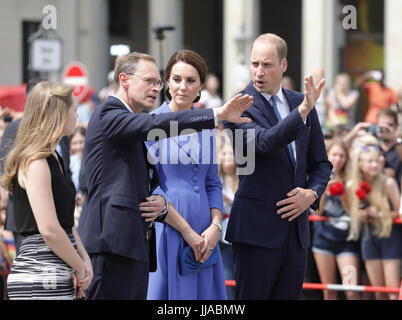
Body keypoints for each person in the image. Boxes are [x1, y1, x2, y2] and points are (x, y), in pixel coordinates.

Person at [78, 52, 253, 300]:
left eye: (156, 82)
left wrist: (214, 226)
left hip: (171, 234)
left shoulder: (138, 122)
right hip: (141, 235)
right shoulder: (115, 115)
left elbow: (211, 181)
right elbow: (156, 128)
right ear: (124, 79)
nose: (155, 87)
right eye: (151, 81)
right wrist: (217, 115)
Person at [223, 33, 332, 300]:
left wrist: (312, 194)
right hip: (255, 232)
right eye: (254, 64)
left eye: (267, 65)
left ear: (283, 65)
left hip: (295, 235)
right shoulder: (239, 105)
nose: (259, 72)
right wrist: (303, 111)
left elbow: (321, 163)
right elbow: (264, 143)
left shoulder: (300, 102)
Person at [145, 50, 226, 300]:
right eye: (177, 79)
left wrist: (215, 227)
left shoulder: (206, 127)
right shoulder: (150, 123)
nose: (183, 86)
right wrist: (188, 233)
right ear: (166, 81)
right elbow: (149, 188)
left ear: (201, 85)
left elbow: (213, 182)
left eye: (191, 80)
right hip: (167, 227)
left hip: (205, 230)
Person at [2, 81, 93, 300]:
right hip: (39, 275)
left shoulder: (54, 157)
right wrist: (80, 266)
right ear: (57, 113)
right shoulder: (36, 162)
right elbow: (49, 229)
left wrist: (84, 261)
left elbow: (65, 223)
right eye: (73, 109)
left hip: (55, 273)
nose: (77, 114)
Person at [346, 135, 401, 300]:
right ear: (361, 164)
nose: (374, 165)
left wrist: (377, 213)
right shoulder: (352, 185)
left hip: (390, 235)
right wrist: (359, 214)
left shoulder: (389, 183)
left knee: (392, 291)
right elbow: (350, 212)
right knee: (378, 292)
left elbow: (398, 213)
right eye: (370, 161)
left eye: (377, 161)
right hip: (368, 237)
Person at [312, 139, 360, 300]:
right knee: (329, 290)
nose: (338, 159)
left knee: (351, 290)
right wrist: (325, 189)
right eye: (334, 154)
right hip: (323, 239)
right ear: (327, 155)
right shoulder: (317, 176)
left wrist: (343, 191)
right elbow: (317, 212)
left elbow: (352, 211)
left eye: (342, 155)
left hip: (346, 241)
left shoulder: (351, 179)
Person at [217, 140, 238, 300]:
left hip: (241, 235)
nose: (229, 157)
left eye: (232, 154)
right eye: (225, 154)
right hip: (222, 239)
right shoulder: (216, 181)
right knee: (227, 279)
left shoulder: (244, 180)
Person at [376, 109, 402, 189]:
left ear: (396, 126)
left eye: (389, 125)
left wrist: (394, 138)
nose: (384, 128)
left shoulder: (399, 145)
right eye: (381, 125)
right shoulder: (372, 145)